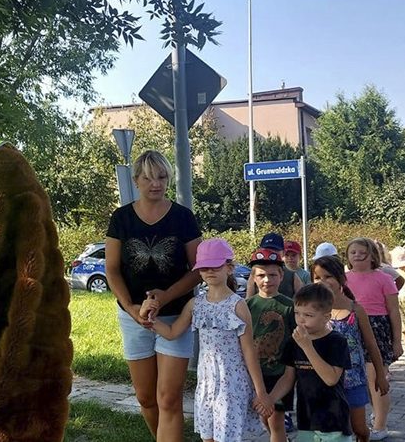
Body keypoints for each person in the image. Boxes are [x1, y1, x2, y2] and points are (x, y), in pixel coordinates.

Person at [105, 149, 203, 442]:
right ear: (136, 180)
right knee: (146, 398)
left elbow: (198, 270)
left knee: (169, 399)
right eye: (148, 178)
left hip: (176, 318)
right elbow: (112, 271)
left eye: (161, 176)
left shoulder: (184, 217)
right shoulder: (121, 218)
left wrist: (165, 295)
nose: (155, 184)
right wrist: (133, 308)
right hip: (133, 319)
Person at [141, 238, 272, 442]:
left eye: (216, 265)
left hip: (232, 385)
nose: (209, 271)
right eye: (204, 267)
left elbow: (249, 351)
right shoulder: (196, 304)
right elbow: (172, 332)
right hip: (206, 383)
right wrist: (149, 320)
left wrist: (261, 392)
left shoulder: (238, 306)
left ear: (229, 267)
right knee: (208, 437)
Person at [312, 256, 389, 442]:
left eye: (328, 276)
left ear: (342, 279)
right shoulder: (311, 310)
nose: (322, 282)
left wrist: (380, 375)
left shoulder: (355, 309)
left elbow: (371, 345)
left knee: (359, 428)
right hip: (323, 381)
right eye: (317, 277)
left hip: (353, 380)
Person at [268, 284, 353, 442]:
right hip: (306, 418)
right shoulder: (293, 342)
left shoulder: (336, 341)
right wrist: (269, 399)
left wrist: (307, 347)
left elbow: (331, 378)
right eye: (297, 313)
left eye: (308, 315)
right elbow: (288, 378)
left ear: (326, 317)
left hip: (333, 419)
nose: (300, 319)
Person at [345, 238, 401, 440]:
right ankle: (357, 420)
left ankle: (380, 425)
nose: (358, 255)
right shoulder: (343, 278)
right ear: (348, 256)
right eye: (353, 252)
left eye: (363, 252)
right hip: (350, 326)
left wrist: (397, 341)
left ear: (372, 255)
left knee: (375, 377)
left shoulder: (384, 278)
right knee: (352, 378)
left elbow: (394, 311)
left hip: (378, 327)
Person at [246, 247, 297, 442]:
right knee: (264, 417)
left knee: (276, 421)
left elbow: (296, 338)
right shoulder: (248, 306)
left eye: (272, 275)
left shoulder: (289, 305)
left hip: (281, 373)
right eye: (261, 275)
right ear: (254, 278)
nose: (267, 280)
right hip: (256, 373)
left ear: (281, 275)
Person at [246, 233, 304, 298]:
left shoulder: (291, 276)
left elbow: (302, 301)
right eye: (267, 249)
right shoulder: (255, 273)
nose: (270, 252)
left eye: (275, 250)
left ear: (283, 252)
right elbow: (248, 300)